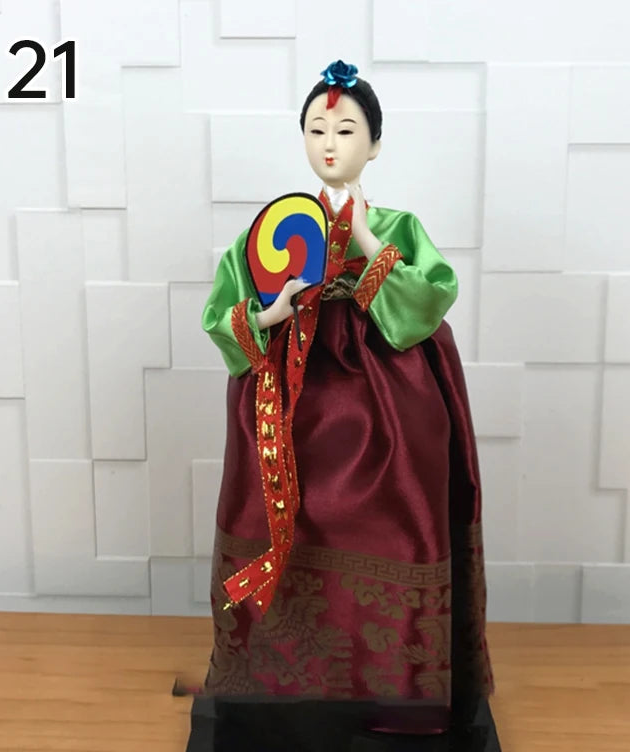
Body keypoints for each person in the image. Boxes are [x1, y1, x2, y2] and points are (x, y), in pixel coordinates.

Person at [201, 61, 493, 716]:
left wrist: (364, 238)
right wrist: (271, 314)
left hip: (386, 398)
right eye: (316, 129)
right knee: (280, 518)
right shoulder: (269, 230)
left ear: (375, 144)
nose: (329, 144)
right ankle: (280, 686)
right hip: (289, 397)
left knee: (392, 518)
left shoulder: (397, 226)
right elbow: (222, 314)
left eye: (346, 130)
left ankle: (394, 686)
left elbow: (428, 299)